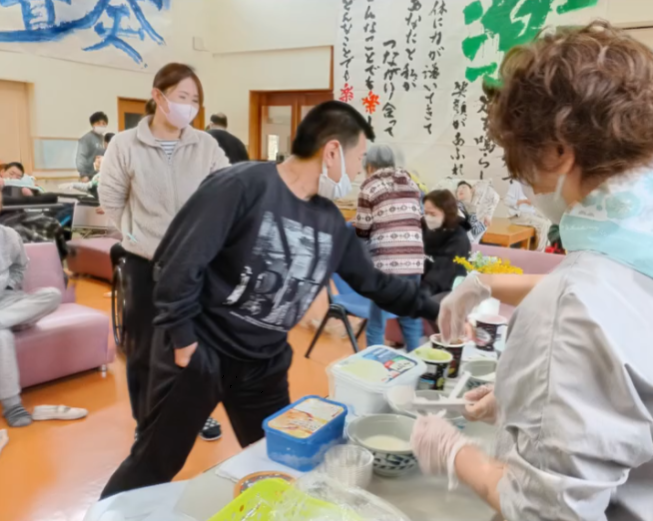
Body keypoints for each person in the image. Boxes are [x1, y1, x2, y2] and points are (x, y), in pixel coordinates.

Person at [100, 100, 441, 498]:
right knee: (154, 463)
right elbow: (176, 265)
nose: (356, 171)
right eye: (357, 158)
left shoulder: (330, 222)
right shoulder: (240, 186)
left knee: (281, 459)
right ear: (332, 151)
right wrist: (183, 341)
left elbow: (376, 283)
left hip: (263, 365)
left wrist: (438, 307)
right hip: (202, 353)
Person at [414, 22, 653, 520]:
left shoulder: (571, 307)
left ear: (560, 150)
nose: (522, 180)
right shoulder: (635, 240)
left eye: (520, 163)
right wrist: (484, 283)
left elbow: (546, 511)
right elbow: (615, 301)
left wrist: (456, 452)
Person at [99, 63, 229, 443]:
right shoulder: (125, 145)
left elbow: (227, 190)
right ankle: (146, 421)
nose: (190, 106)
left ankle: (195, 413)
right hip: (144, 265)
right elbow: (111, 200)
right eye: (182, 97)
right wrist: (137, 236)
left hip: (195, 265)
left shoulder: (205, 145)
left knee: (196, 344)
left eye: (195, 100)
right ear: (158, 96)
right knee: (143, 349)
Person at [354, 144, 424, 351]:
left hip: (387, 263)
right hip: (414, 261)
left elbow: (362, 231)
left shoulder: (369, 186)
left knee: (376, 324)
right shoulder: (411, 184)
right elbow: (417, 218)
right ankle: (418, 365)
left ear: (370, 166)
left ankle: (374, 367)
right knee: (410, 319)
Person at [0, 192, 59, 426]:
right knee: (1, 336)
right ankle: (12, 405)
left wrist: (10, 285)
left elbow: (20, 268)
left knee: (52, 295)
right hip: (10, 315)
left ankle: (5, 319)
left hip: (8, 302)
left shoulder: (9, 235)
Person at [421, 190, 471, 297]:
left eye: (432, 214)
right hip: (422, 284)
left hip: (445, 291)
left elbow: (443, 273)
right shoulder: (423, 227)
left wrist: (418, 294)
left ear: (447, 213)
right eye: (425, 213)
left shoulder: (458, 238)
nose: (428, 217)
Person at [504, 179, 551, 251]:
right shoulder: (516, 184)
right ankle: (540, 252)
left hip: (530, 214)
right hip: (518, 216)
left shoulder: (532, 186)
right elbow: (506, 201)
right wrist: (523, 201)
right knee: (543, 224)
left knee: (548, 222)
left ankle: (546, 249)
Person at [76, 111, 108, 182]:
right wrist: (83, 175)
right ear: (93, 124)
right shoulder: (86, 138)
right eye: (98, 123)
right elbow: (81, 157)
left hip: (102, 176)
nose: (101, 125)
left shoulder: (104, 139)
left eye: (103, 123)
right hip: (89, 177)